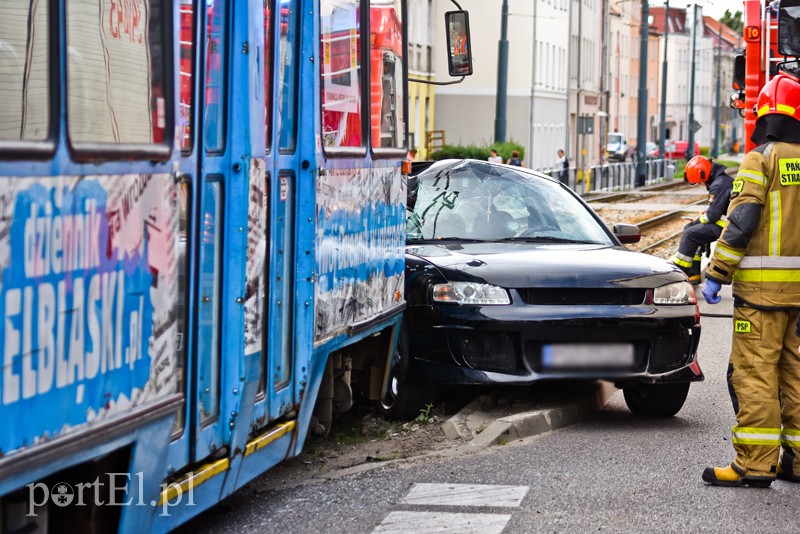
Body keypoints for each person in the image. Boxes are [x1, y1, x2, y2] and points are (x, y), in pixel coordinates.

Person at [701, 73, 800, 488]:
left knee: (755, 373)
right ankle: (795, 460)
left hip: (761, 294)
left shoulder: (762, 158)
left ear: (763, 114)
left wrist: (716, 273)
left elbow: (741, 222)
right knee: (794, 374)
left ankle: (754, 464)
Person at [669, 156, 733, 285]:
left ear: (703, 174)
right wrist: (700, 219)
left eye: (699, 181)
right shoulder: (721, 181)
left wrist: (700, 219)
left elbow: (712, 216)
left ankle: (680, 271)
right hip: (728, 222)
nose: (700, 184)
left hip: (727, 226)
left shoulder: (719, 185)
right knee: (690, 228)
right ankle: (693, 275)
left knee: (690, 234)